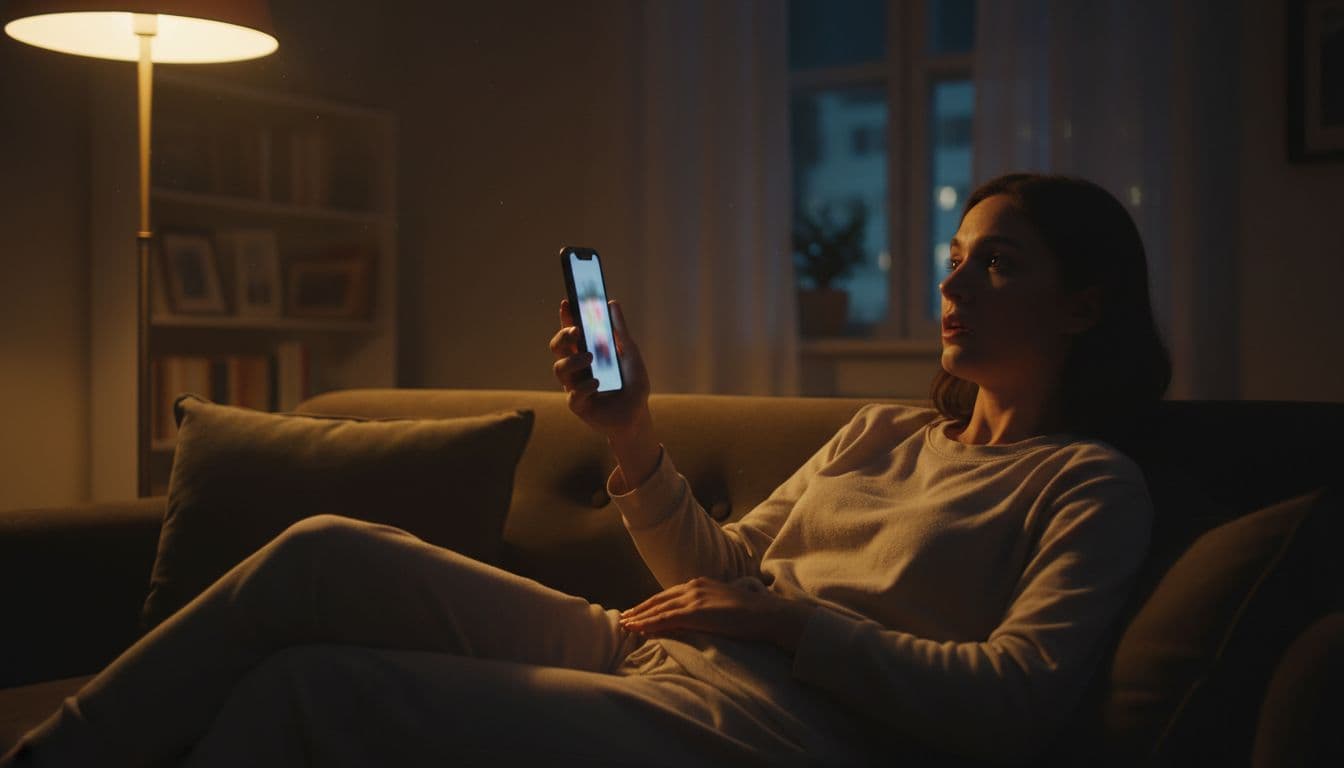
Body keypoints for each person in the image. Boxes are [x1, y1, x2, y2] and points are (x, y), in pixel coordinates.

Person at [1, 172, 1170, 767]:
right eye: (956, 259)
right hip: (656, 650)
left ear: (1083, 303)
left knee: (306, 691)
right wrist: (628, 430)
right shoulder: (883, 432)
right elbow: (723, 572)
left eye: (998, 265)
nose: (953, 289)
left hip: (773, 728)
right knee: (318, 557)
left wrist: (783, 629)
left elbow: (1015, 700)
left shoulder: (1087, 486)